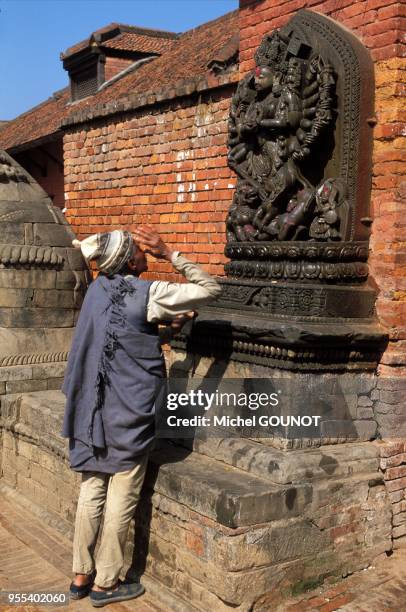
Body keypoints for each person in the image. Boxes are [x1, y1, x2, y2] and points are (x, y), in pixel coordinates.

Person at [61, 225, 221, 607]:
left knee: (91, 488)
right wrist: (169, 253)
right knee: (121, 492)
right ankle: (107, 584)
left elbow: (120, 334)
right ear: (131, 261)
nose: (144, 252)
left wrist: (166, 331)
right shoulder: (150, 293)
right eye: (139, 249)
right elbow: (210, 288)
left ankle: (80, 575)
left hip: (91, 412)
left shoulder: (97, 291)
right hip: (127, 414)